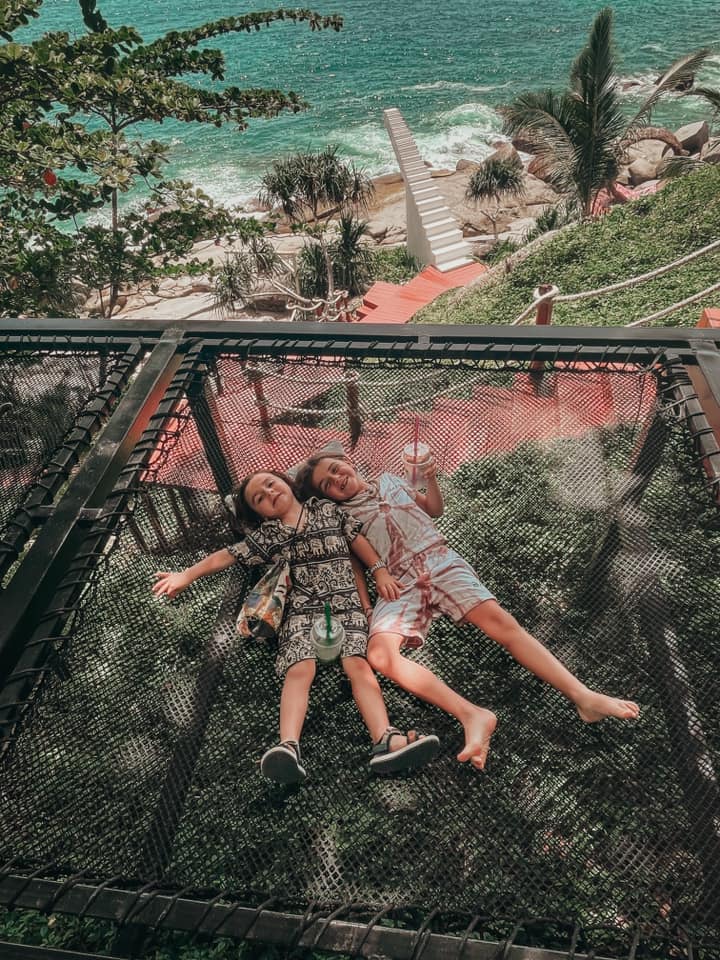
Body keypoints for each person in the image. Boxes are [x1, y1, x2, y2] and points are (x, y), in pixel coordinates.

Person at [295, 448, 641, 771]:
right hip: (399, 582)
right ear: (328, 497)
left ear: (348, 462)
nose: (337, 479)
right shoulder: (339, 516)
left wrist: (429, 477)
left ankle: (583, 697)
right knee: (380, 655)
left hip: (439, 560)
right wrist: (368, 603)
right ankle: (472, 715)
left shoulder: (390, 479)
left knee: (504, 626)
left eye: (336, 469)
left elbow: (432, 509)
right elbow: (356, 563)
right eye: (328, 484)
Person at [152, 470, 439, 785]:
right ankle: (288, 746)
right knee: (299, 669)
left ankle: (386, 739)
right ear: (258, 514)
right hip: (302, 611)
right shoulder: (269, 534)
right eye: (259, 498)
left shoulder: (327, 510)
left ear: (287, 484)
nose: (269, 493)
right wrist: (186, 575)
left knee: (358, 665)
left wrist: (379, 571)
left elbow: (357, 541)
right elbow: (226, 555)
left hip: (346, 604)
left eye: (270, 484)